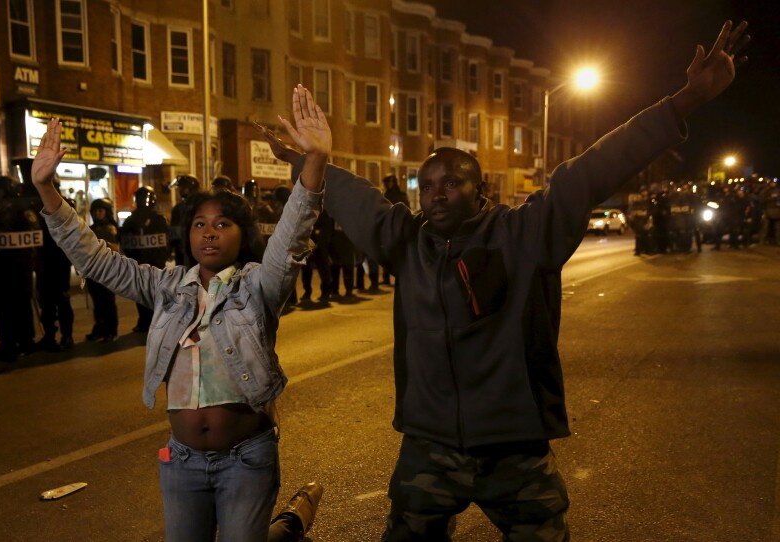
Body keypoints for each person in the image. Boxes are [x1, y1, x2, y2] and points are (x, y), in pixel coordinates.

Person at [269, 22, 750, 540]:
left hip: (514, 448)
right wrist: (306, 159)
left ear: (482, 190)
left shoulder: (523, 232)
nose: (437, 194)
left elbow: (593, 169)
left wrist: (685, 100)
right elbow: (357, 200)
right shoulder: (408, 242)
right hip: (429, 448)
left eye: (453, 182)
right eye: (426, 185)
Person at [30, 84, 329, 542]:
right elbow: (94, 259)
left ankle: (285, 528)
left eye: (223, 224)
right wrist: (46, 188)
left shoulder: (258, 286)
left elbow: (290, 238)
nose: (209, 233)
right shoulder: (166, 286)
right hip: (182, 461)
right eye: (199, 224)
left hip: (246, 458)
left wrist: (314, 161)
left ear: (241, 234)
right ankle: (287, 530)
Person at [0, 176, 41, 361]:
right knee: (3, 309)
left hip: (17, 269)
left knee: (21, 306)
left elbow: (32, 239)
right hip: (0, 269)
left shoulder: (22, 212)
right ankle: (7, 343)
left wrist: (26, 263)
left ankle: (25, 342)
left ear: (7, 191)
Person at [34, 176, 76, 352]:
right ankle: (49, 336)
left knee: (62, 299)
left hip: (59, 261)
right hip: (44, 260)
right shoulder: (38, 205)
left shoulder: (64, 206)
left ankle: (67, 336)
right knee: (46, 301)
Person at [120, 186, 170, 332]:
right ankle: (147, 322)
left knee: (149, 293)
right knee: (145, 293)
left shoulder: (157, 219)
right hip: (145, 263)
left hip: (149, 264)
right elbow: (124, 240)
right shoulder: (135, 219)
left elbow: (167, 240)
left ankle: (151, 322)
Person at [85, 197, 120, 342]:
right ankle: (99, 329)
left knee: (108, 302)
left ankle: (111, 330)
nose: (98, 213)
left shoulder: (112, 229)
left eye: (101, 210)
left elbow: (115, 249)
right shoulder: (90, 229)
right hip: (93, 270)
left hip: (107, 270)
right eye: (95, 211)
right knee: (98, 303)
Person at [169, 175, 199, 266]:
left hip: (192, 253)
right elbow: (173, 233)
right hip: (184, 253)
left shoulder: (200, 206)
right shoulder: (177, 209)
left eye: (182, 187)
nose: (180, 190)